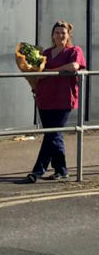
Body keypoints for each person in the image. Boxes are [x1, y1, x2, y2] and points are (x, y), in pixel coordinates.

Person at [21, 20, 86, 184]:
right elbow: (36, 71)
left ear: (68, 35)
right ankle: (61, 171)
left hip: (63, 99)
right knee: (54, 136)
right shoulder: (46, 54)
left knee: (53, 134)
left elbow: (74, 66)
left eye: (63, 33)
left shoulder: (74, 50)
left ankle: (37, 172)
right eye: (57, 32)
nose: (60, 35)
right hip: (45, 98)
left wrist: (49, 71)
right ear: (52, 35)